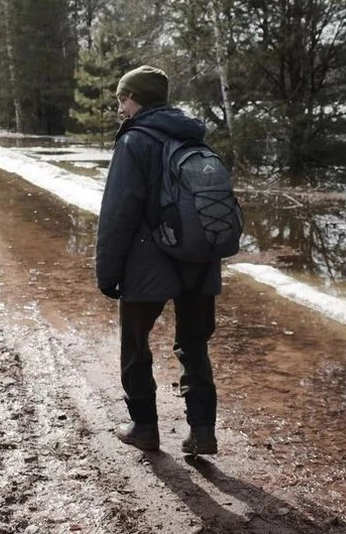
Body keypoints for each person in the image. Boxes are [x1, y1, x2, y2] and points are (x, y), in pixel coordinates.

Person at [95, 65, 222, 455]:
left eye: (123, 98)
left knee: (135, 345)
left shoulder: (134, 142)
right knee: (194, 344)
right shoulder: (195, 137)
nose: (120, 107)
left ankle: (144, 428)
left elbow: (118, 214)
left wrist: (107, 272)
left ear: (139, 99)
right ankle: (202, 432)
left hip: (148, 262)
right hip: (199, 258)